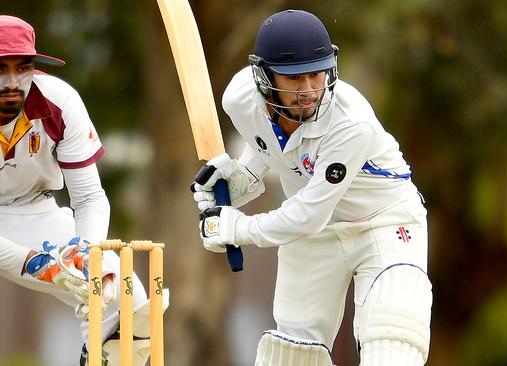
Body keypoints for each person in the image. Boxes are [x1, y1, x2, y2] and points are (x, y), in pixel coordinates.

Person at [192, 9, 433, 365]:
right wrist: (246, 175)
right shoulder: (238, 99)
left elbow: (307, 215)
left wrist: (239, 227)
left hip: (383, 224)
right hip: (315, 234)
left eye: (317, 74)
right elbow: (267, 144)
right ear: (263, 76)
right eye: (294, 79)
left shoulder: (351, 124)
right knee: (291, 356)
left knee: (392, 346)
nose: (309, 91)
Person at [0, 15, 155, 366]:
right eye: (0, 68)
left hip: (32, 209)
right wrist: (40, 265)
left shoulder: (58, 100)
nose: (12, 82)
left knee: (126, 296)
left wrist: (85, 253)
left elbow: (88, 197)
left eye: (22, 67)